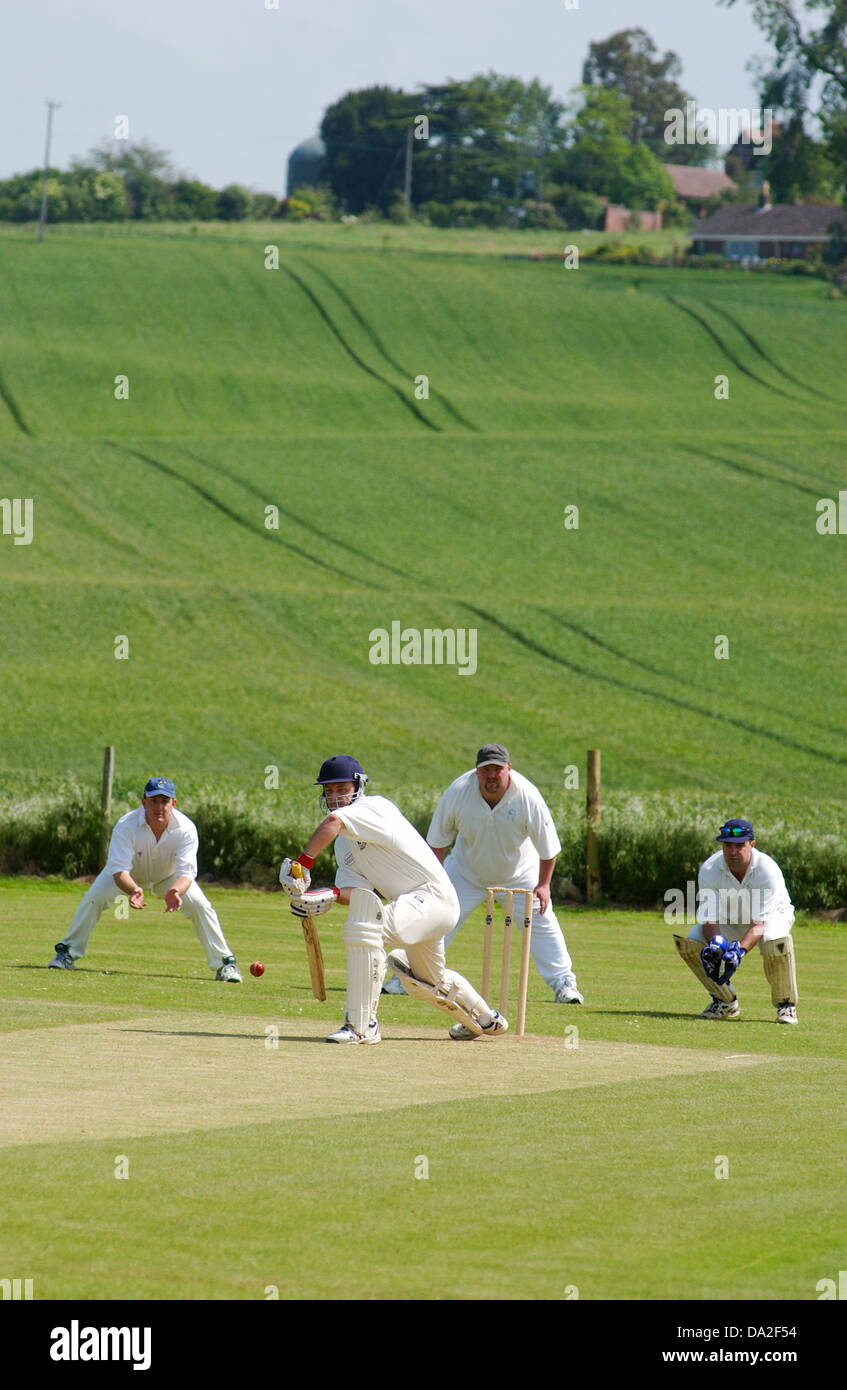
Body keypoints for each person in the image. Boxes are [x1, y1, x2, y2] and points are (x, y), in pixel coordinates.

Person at [278, 754, 508, 1044]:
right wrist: (326, 895)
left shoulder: (373, 807)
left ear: (358, 786)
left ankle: (362, 1025)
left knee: (367, 929)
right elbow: (360, 896)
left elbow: (333, 821)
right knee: (427, 981)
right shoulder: (343, 846)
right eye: (329, 790)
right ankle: (488, 1019)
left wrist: (303, 863)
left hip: (432, 896)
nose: (335, 796)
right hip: (416, 908)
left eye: (341, 789)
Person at [416, 744, 583, 1031]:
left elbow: (548, 847)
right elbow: (437, 842)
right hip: (466, 873)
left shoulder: (527, 795)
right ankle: (413, 977)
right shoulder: (458, 792)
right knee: (437, 917)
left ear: (508, 769)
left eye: (497, 769)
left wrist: (544, 885)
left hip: (519, 874)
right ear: (477, 771)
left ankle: (564, 985)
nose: (491, 775)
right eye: (486, 770)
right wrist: (435, 883)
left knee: (542, 921)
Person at [47, 776, 242, 982]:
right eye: (153, 801)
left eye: (164, 801)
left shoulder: (186, 828)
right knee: (93, 898)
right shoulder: (125, 825)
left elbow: (186, 873)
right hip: (128, 876)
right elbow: (119, 870)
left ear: (173, 803)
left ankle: (224, 965)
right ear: (143, 802)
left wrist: (175, 891)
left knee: (201, 906)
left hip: (168, 878)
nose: (159, 807)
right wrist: (133, 890)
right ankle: (67, 953)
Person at [674, 817, 798, 1024]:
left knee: (773, 939)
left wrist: (738, 952)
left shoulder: (767, 870)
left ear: (752, 844)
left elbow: (759, 925)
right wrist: (716, 945)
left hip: (772, 916)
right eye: (727, 845)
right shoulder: (710, 869)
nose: (732, 852)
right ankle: (724, 1001)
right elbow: (709, 918)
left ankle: (786, 1006)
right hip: (731, 917)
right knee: (693, 941)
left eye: (739, 846)